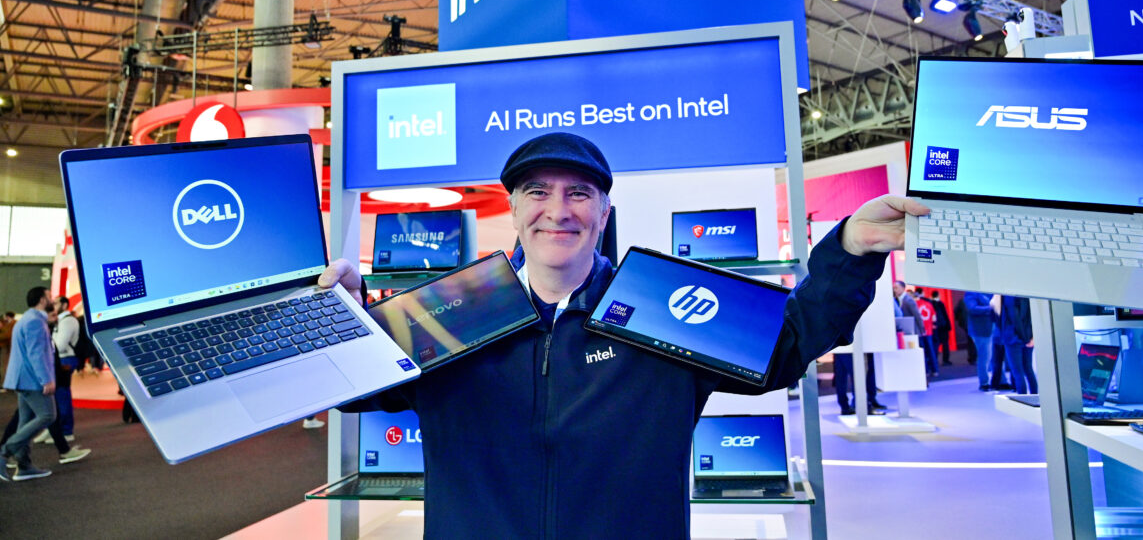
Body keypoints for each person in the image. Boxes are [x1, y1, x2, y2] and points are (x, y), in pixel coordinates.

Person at [322, 132, 926, 538]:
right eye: (538, 192)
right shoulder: (456, 312)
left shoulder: (656, 306)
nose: (557, 210)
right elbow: (356, 390)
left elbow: (787, 345)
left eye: (578, 194)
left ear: (603, 214)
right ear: (514, 208)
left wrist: (852, 249)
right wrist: (343, 321)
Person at [0, 286, 57, 481]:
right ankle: (4, 452)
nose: (52, 298)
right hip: (32, 380)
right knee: (48, 415)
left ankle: (24, 467)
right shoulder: (34, 322)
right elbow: (36, 354)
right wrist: (46, 379)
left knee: (25, 422)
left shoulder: (25, 319)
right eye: (49, 296)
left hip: (22, 380)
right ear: (42, 300)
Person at [50, 295, 79, 440]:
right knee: (57, 396)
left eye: (56, 303)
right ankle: (57, 430)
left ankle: (66, 431)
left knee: (62, 396)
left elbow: (60, 346)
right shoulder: (60, 321)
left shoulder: (68, 321)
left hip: (65, 360)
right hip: (60, 359)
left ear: (65, 304)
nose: (53, 305)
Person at [996, 294, 1037, 394]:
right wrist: (1031, 337)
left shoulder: (1008, 296)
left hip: (1013, 338)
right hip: (1028, 336)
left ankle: (1024, 401)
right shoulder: (1028, 296)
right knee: (1028, 369)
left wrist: (1025, 338)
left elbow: (1014, 318)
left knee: (1018, 373)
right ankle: (1035, 398)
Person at [963, 292, 996, 391]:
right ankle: (984, 382)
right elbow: (972, 309)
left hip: (993, 327)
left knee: (996, 356)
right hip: (980, 330)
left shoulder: (990, 292)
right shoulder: (971, 294)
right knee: (984, 356)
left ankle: (1000, 381)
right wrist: (991, 308)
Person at [913, 287, 939, 376]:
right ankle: (935, 370)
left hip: (920, 331)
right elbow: (934, 318)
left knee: (922, 351)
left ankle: (926, 370)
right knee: (931, 351)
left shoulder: (914, 304)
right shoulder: (929, 304)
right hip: (929, 331)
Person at [931, 291, 952, 365]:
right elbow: (945, 315)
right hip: (943, 326)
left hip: (935, 327)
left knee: (936, 344)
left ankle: (934, 360)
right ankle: (945, 360)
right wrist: (948, 325)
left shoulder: (930, 303)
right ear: (938, 295)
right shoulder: (940, 304)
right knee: (945, 344)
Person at [0, 311, 15, 391]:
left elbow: (7, 335)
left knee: (4, 366)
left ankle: (4, 385)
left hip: (7, 347)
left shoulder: (12, 324)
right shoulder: (10, 324)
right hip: (7, 347)